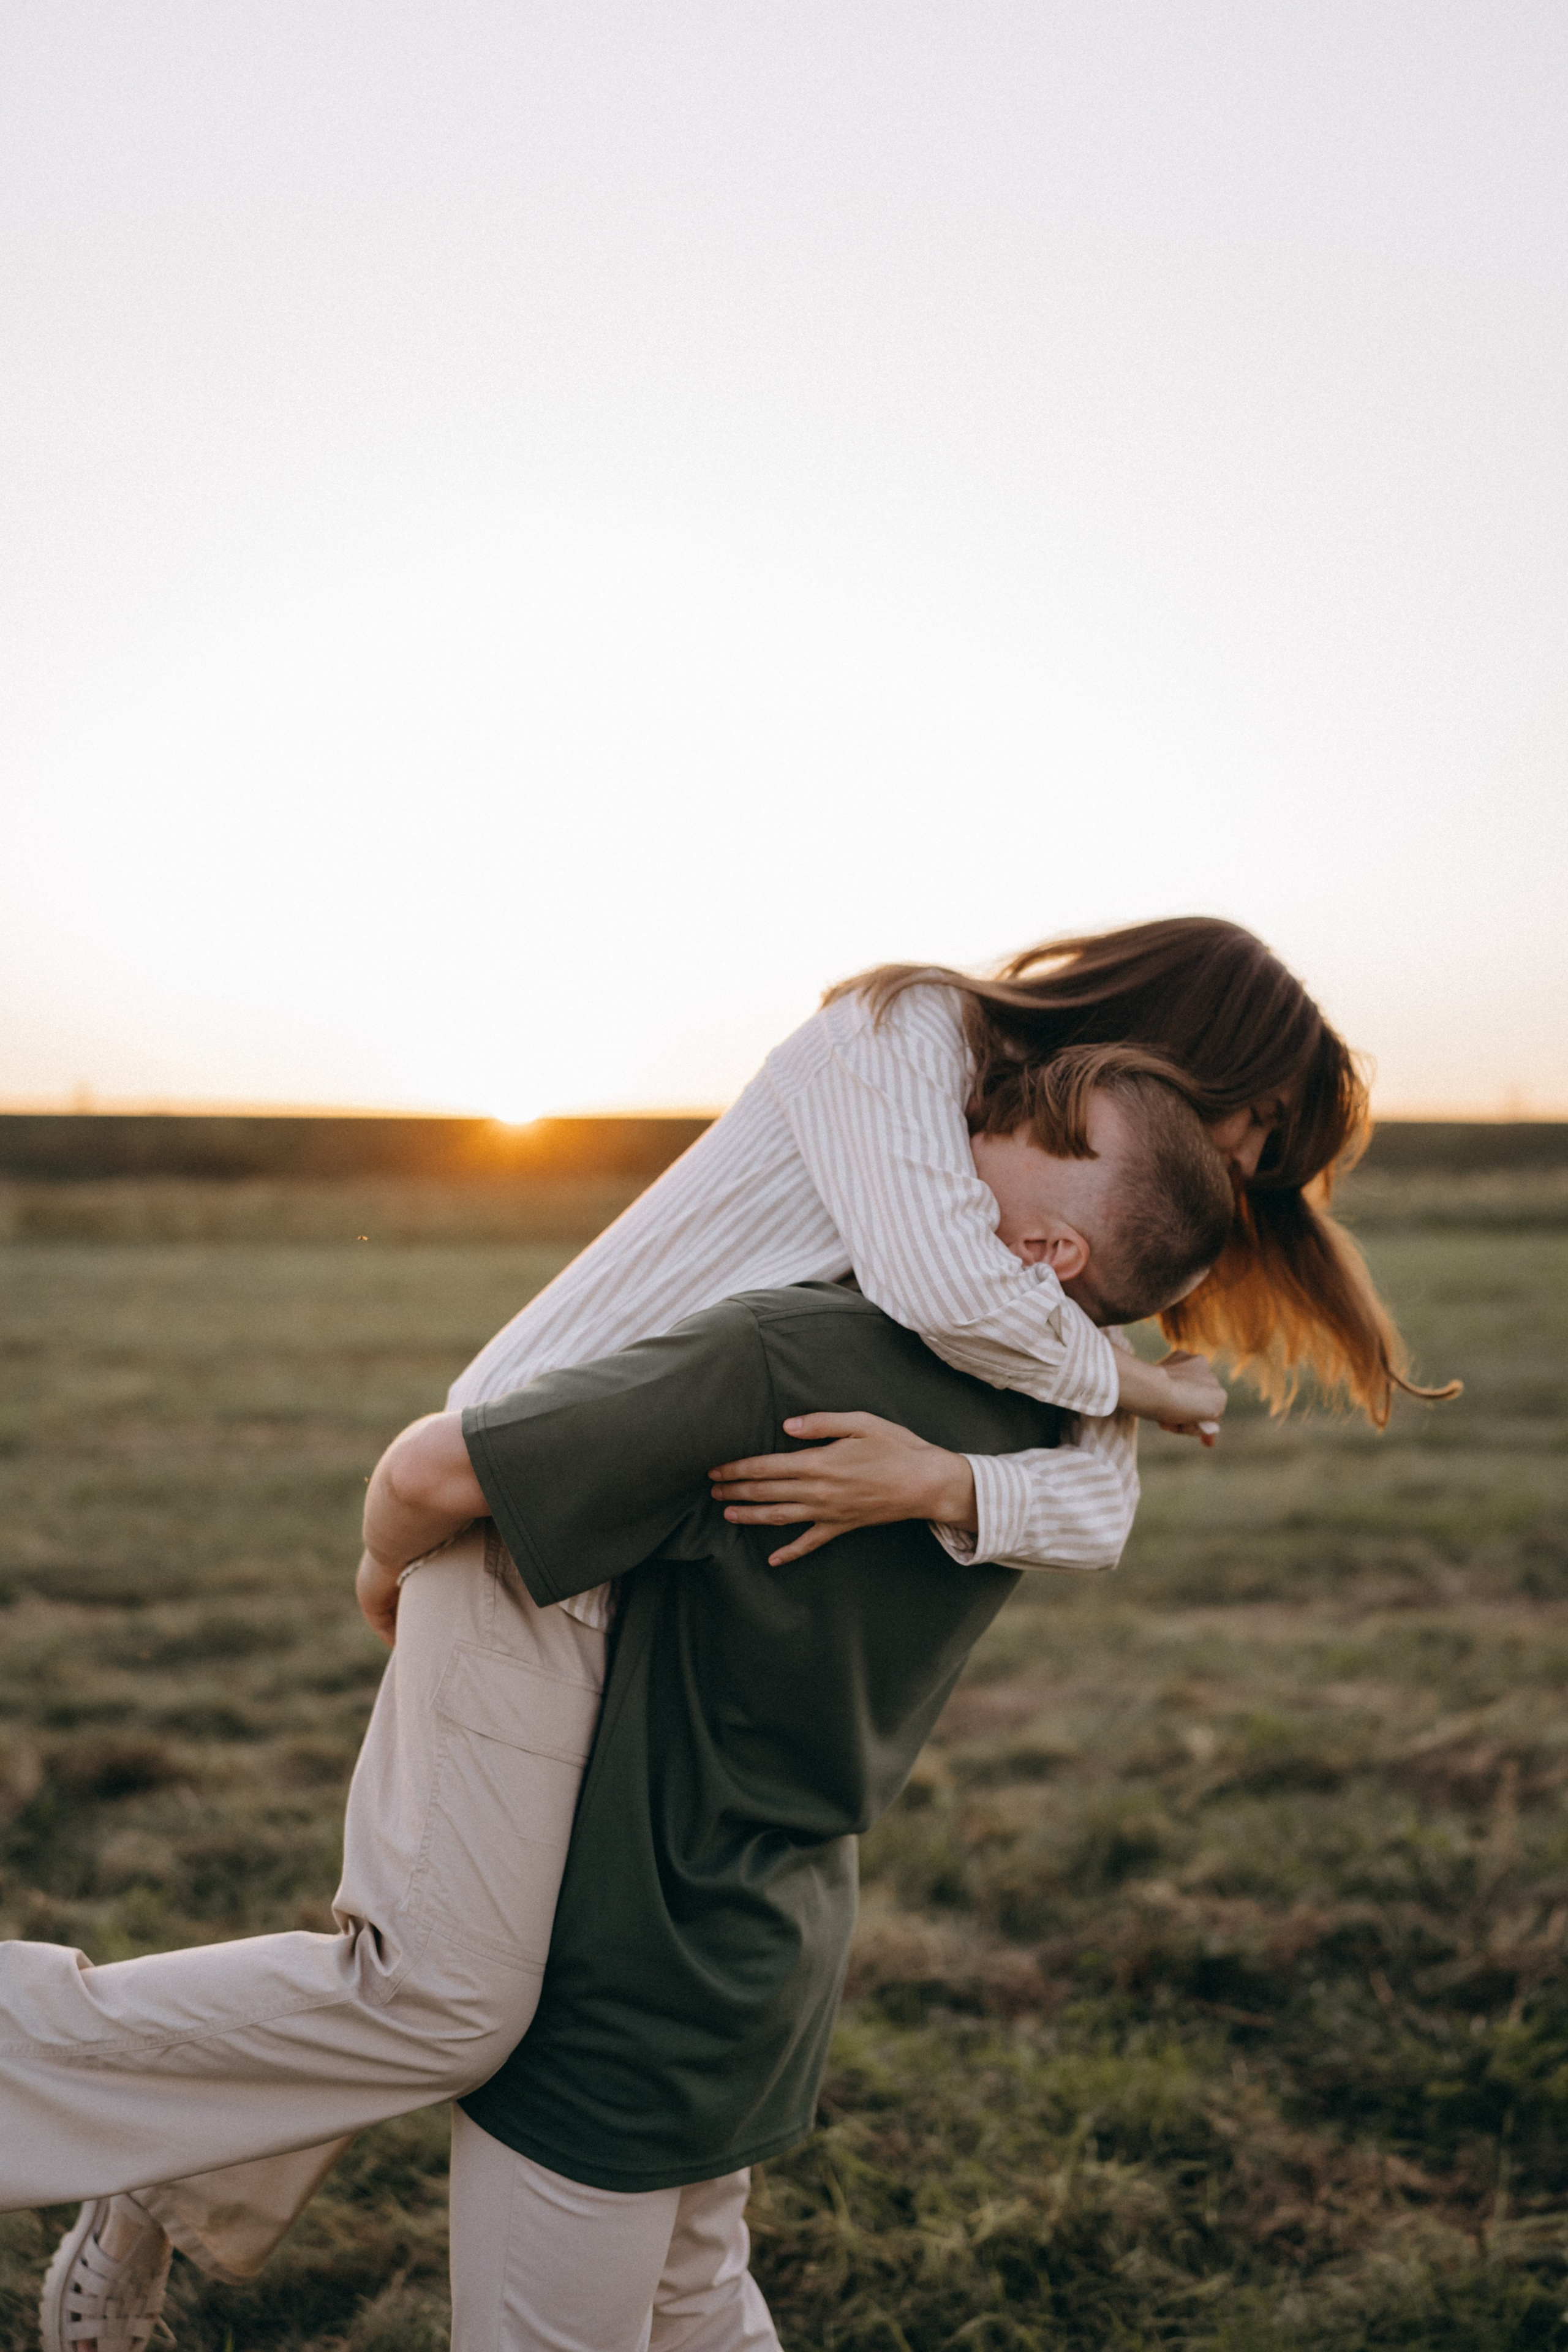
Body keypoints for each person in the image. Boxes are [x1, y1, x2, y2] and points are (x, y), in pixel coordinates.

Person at [20, 920, 1451, 2346]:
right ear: (1191, 1042)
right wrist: (1132, 1382)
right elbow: (943, 1283)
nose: (1235, 1173)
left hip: (667, 1581)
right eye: (1252, 1128)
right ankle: (108, 2136)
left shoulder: (1045, 1253)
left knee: (485, 1996)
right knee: (443, 1998)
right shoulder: (905, 1038)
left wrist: (950, 1475)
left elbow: (1092, 1510)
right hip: (532, 1506)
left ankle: (158, 2165)